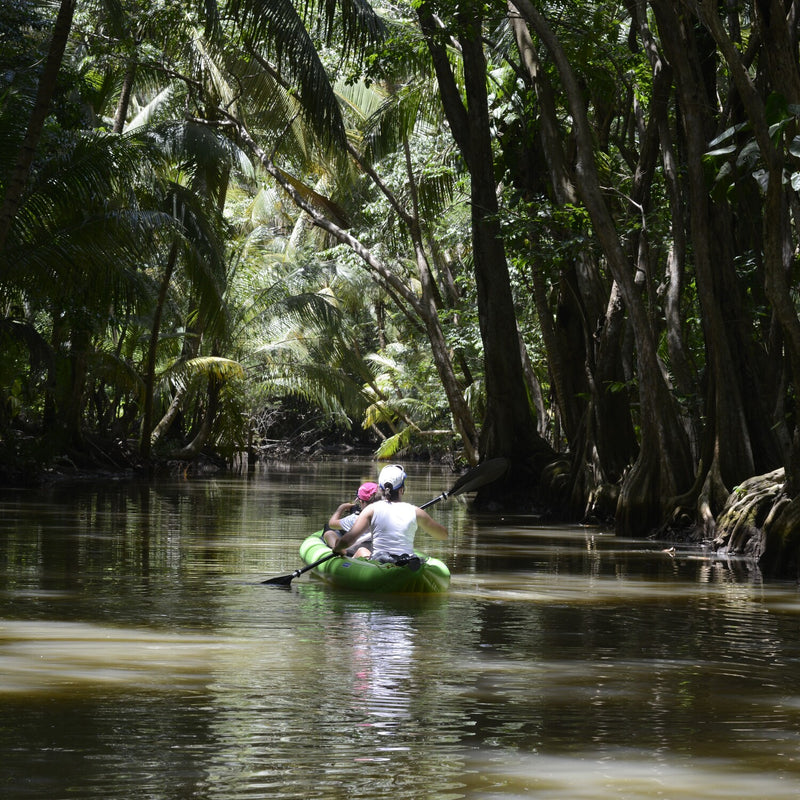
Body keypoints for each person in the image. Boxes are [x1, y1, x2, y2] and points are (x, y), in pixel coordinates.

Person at [333, 464, 448, 561]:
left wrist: (338, 548)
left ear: (380, 489)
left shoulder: (370, 510)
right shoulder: (417, 512)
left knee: (362, 551)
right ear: (402, 489)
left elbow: (347, 540)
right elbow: (443, 535)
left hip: (380, 562)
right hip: (407, 560)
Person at [322, 481, 380, 553]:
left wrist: (341, 509)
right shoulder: (388, 517)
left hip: (358, 550)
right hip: (378, 549)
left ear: (361, 501)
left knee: (329, 532)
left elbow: (332, 524)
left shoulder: (355, 519)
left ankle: (337, 548)